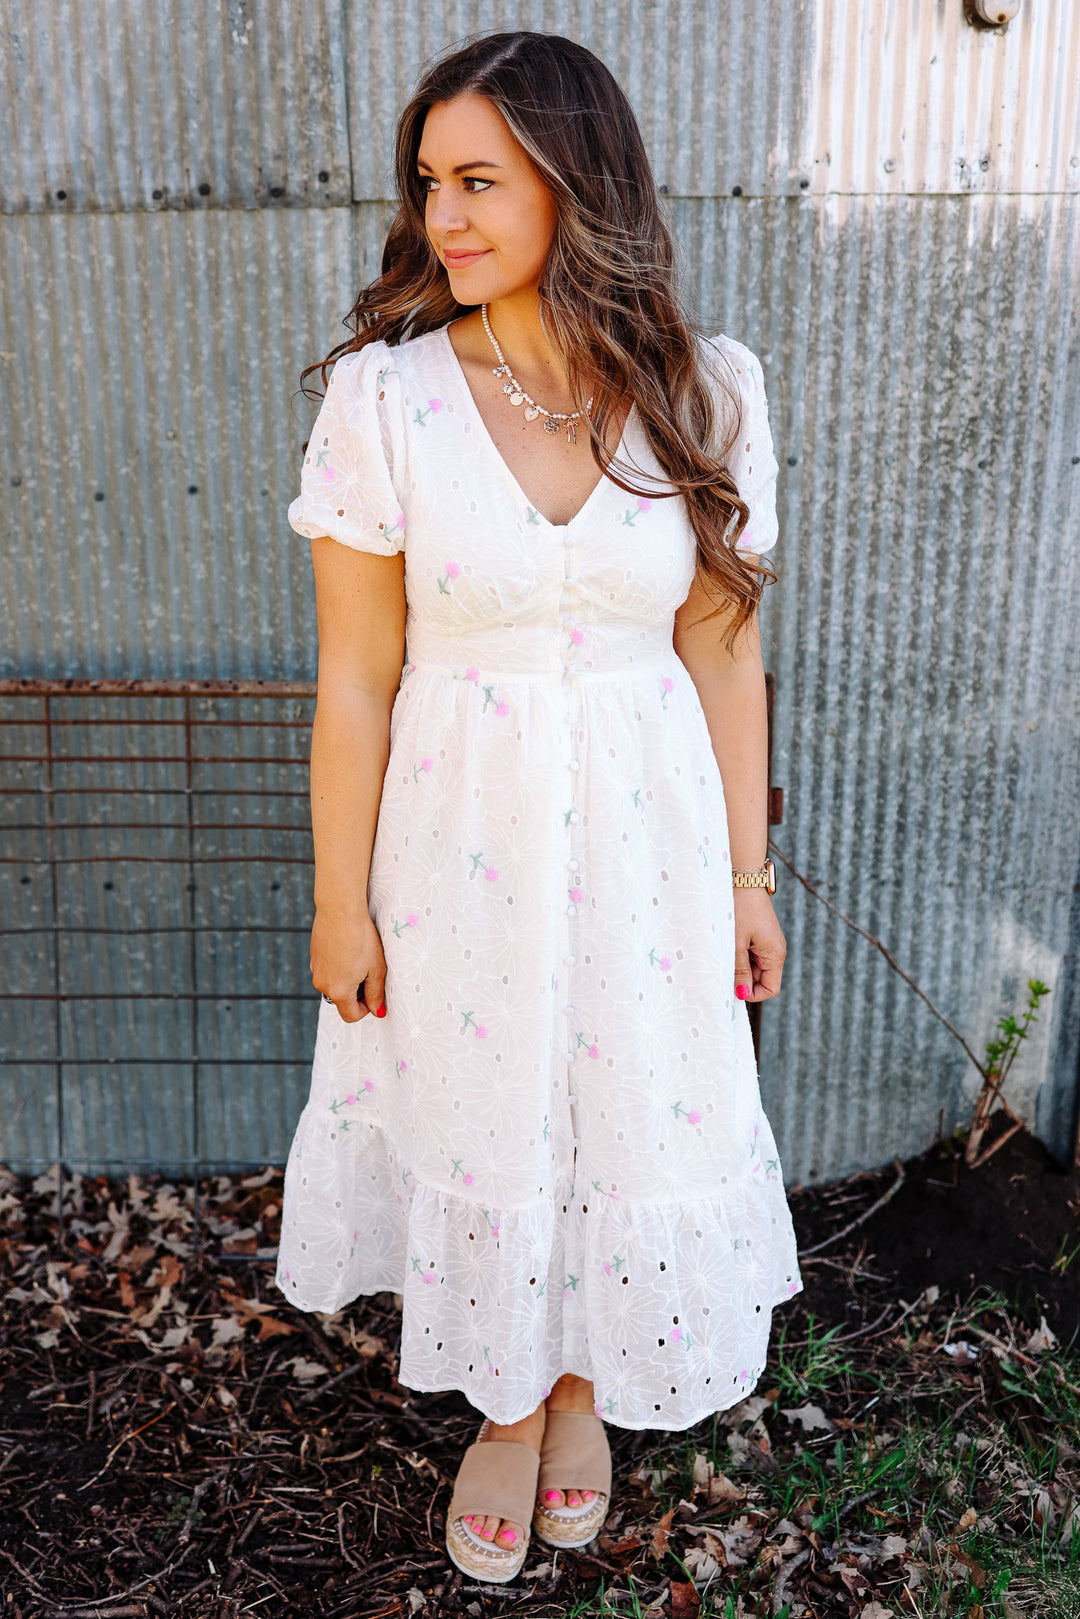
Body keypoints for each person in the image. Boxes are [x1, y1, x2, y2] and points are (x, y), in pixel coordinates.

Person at [275, 29, 802, 1584]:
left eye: (480, 181)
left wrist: (750, 878)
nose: (441, 214)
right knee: (486, 1107)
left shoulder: (706, 392)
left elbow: (724, 649)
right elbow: (357, 678)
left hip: (651, 844)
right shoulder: (386, 401)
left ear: (580, 183)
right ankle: (508, 1407)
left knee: (628, 1098)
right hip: (462, 841)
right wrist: (339, 900)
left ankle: (582, 1390)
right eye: (429, 182)